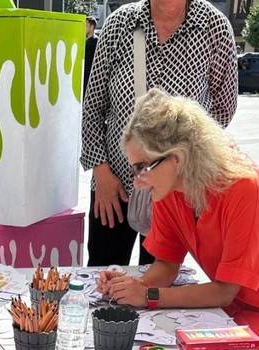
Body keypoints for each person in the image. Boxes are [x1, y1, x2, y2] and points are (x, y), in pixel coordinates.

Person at [100, 90, 259, 350]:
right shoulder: (168, 189)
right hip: (235, 307)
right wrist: (131, 288)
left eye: (142, 168)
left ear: (177, 157)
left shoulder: (247, 187)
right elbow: (166, 266)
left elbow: (224, 290)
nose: (137, 181)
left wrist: (149, 296)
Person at [81, 0, 238, 267]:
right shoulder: (121, 23)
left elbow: (222, 109)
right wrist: (101, 172)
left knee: (161, 277)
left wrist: (182, 165)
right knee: (103, 271)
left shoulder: (214, 27)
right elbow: (93, 106)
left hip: (173, 188)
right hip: (114, 183)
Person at [84, 16, 98, 93]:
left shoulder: (94, 41)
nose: (84, 28)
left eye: (86, 25)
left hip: (89, 76)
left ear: (92, 27)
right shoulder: (88, 41)